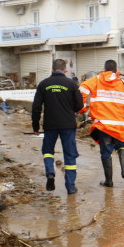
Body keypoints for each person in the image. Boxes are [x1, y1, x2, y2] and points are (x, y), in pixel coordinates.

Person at [80, 60, 124, 187]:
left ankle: (109, 181)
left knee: (106, 152)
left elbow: (82, 88)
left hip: (103, 124)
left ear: (104, 68)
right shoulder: (123, 83)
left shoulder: (97, 79)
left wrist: (83, 108)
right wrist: (122, 113)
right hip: (119, 124)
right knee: (122, 145)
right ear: (116, 70)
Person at [32, 59, 84, 194]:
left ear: (52, 69)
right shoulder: (71, 84)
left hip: (50, 124)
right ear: (64, 70)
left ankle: (50, 172)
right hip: (68, 124)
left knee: (48, 151)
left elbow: (36, 107)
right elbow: (79, 106)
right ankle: (71, 186)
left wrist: (35, 126)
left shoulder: (44, 84)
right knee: (69, 154)